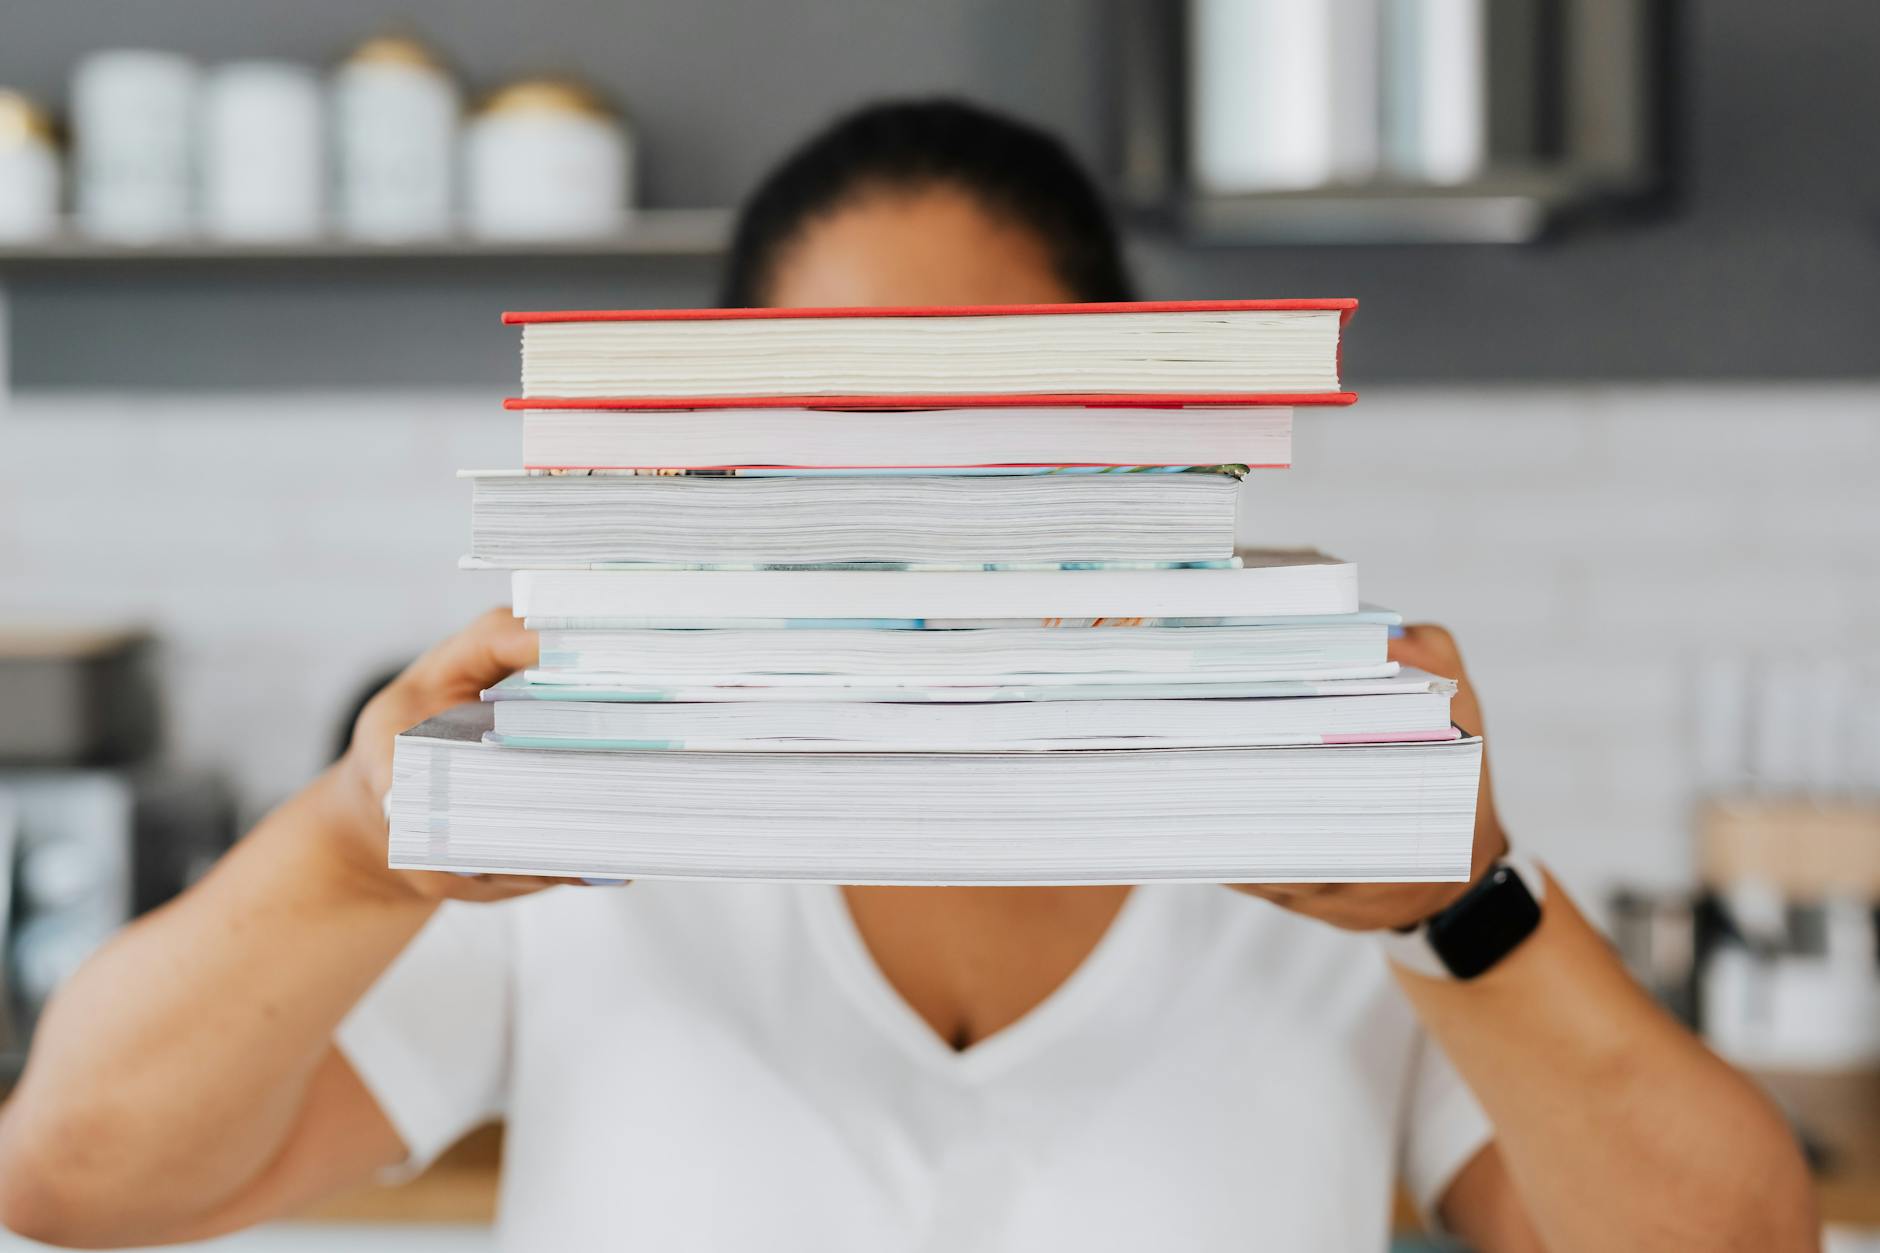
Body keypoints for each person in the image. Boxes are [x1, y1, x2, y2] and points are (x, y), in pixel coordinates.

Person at [0, 100, 1814, 1253]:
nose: (916, 497)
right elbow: (76, 1178)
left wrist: (1466, 906)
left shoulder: (1324, 856)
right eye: (840, 424)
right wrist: (355, 845)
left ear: (1141, 432)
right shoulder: (569, 831)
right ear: (704, 446)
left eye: (996, 418)